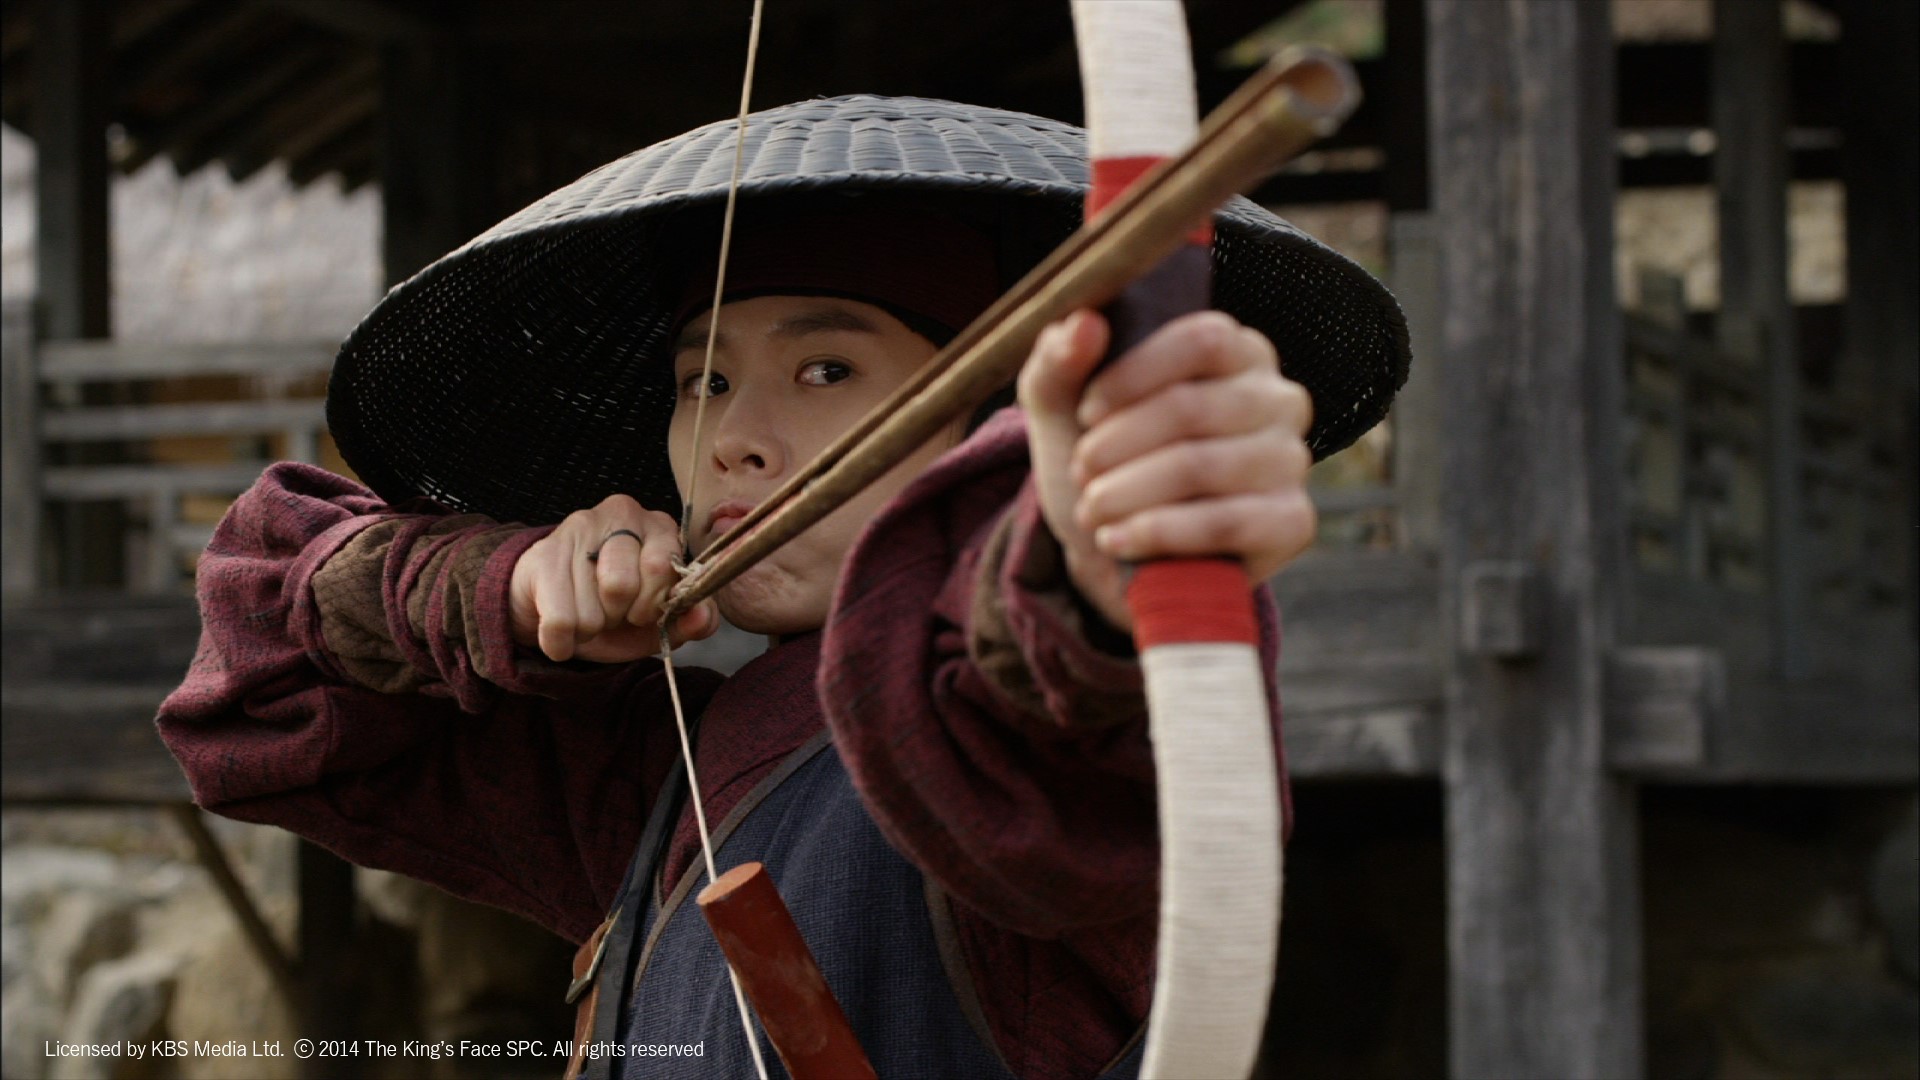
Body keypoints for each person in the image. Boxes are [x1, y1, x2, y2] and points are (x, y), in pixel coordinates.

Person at [158, 95, 1408, 1080]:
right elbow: (253, 688)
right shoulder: (658, 775)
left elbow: (1058, 681)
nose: (733, 440)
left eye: (825, 371)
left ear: (983, 421)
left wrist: (1103, 545)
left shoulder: (1001, 729)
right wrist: (495, 586)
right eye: (702, 380)